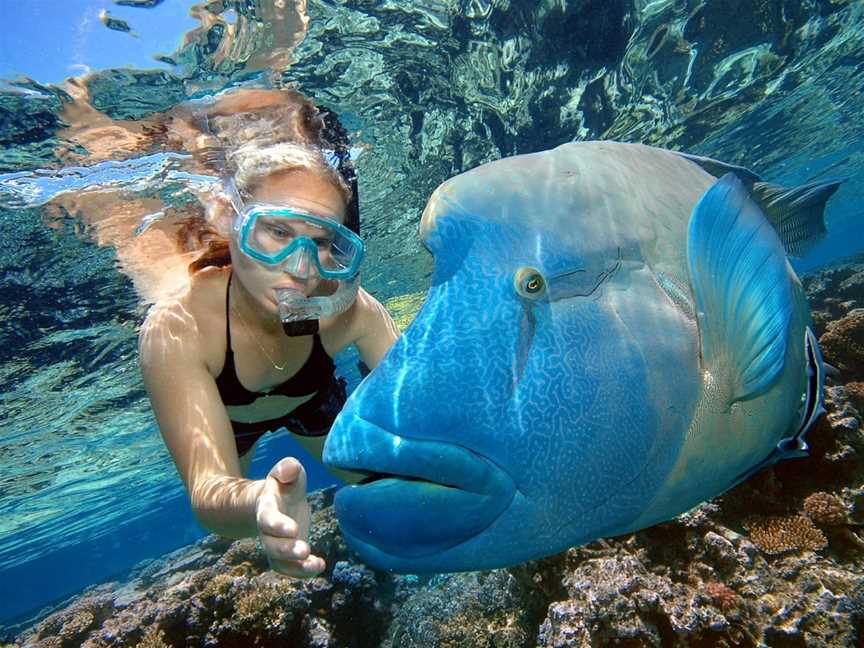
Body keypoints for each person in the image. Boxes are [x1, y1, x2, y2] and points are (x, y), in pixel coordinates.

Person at [138, 88, 399, 578]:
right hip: (234, 420)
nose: (299, 270)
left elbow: (424, 401)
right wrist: (260, 500)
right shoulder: (182, 328)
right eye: (276, 233)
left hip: (309, 396)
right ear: (226, 217)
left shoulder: (348, 312)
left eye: (322, 242)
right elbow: (210, 493)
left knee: (372, 478)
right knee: (229, 525)